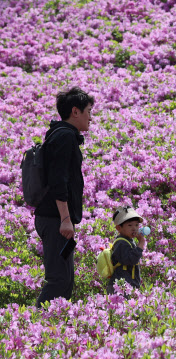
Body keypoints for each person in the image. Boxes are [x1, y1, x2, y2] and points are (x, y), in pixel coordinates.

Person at [35, 87, 94, 307]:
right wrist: (65, 219)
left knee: (66, 280)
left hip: (56, 219)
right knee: (58, 279)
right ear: (75, 111)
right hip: (55, 220)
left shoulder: (60, 134)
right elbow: (58, 181)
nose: (91, 117)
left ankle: (55, 329)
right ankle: (35, 325)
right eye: (89, 111)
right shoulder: (65, 136)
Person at [107, 206, 145, 294]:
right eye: (130, 225)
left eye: (136, 225)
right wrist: (141, 243)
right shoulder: (121, 243)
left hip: (127, 285)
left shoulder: (128, 241)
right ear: (118, 228)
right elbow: (131, 260)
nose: (134, 228)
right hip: (121, 287)